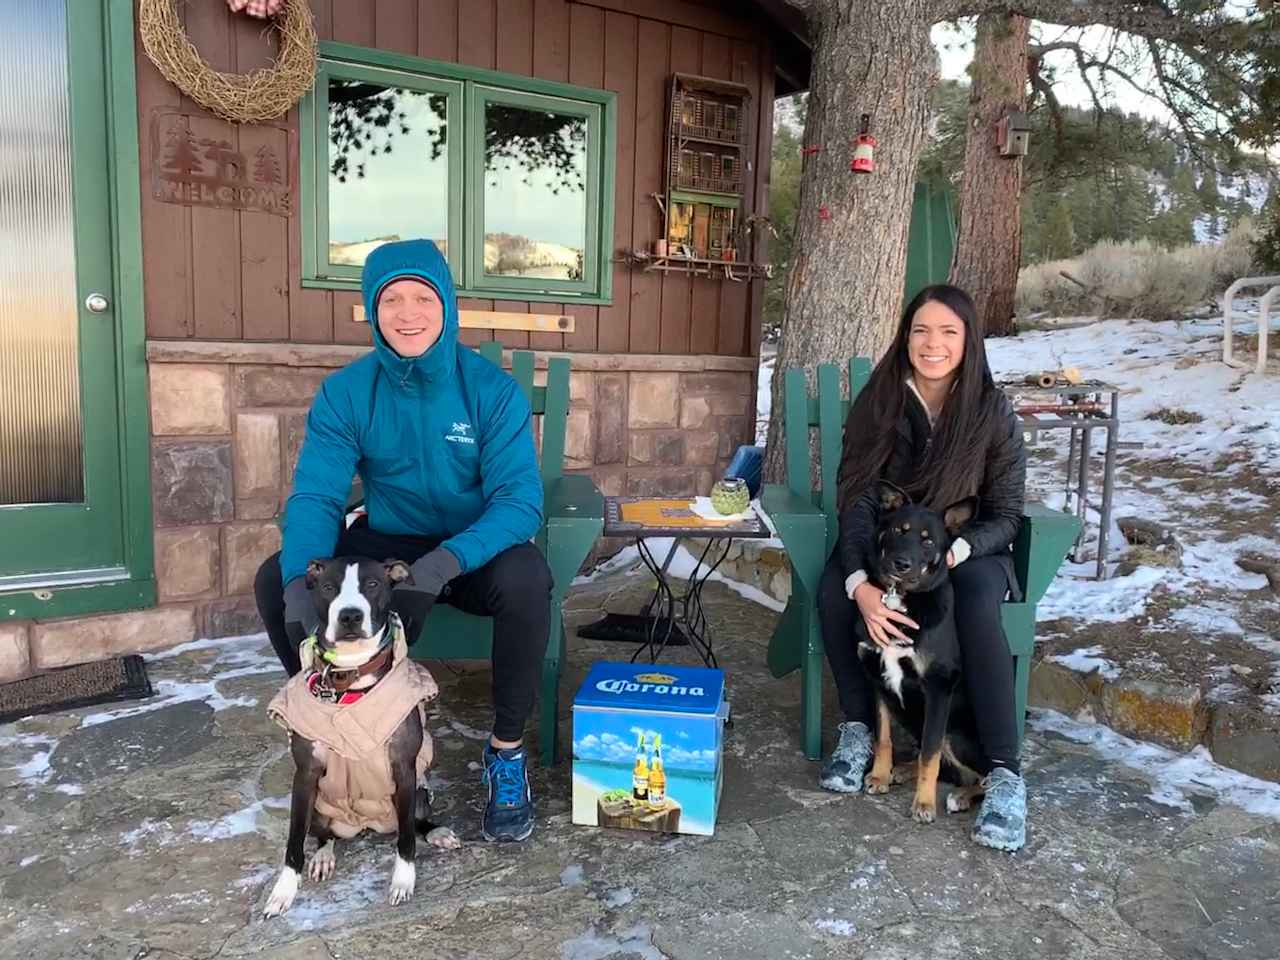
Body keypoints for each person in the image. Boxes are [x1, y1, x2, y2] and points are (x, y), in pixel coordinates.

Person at [254, 238, 553, 844]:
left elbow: (520, 503)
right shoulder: (348, 393)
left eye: (423, 297)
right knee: (271, 580)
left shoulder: (489, 391)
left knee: (528, 579)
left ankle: (505, 754)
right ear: (373, 308)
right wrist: (294, 586)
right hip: (385, 546)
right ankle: (333, 722)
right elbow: (317, 496)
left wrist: (441, 566)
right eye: (392, 299)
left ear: (446, 305)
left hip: (470, 549)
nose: (408, 312)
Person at [815, 283, 1029, 851]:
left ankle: (1004, 772)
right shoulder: (881, 399)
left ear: (969, 341)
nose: (932, 344)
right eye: (921, 330)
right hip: (887, 544)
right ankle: (859, 732)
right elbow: (857, 497)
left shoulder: (990, 411)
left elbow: (1007, 514)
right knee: (833, 593)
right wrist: (860, 579)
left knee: (979, 603)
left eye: (948, 332)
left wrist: (957, 550)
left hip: (964, 549)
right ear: (906, 336)